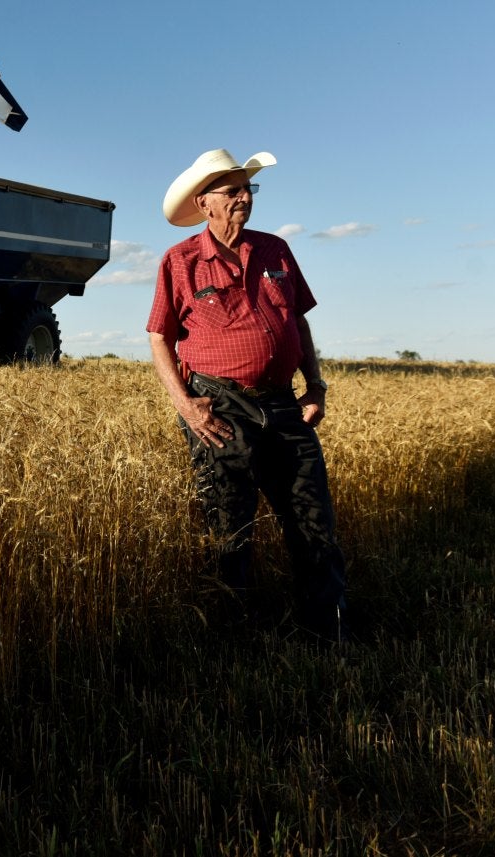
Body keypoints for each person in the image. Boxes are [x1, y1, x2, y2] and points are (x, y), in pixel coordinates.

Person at [145, 149, 348, 642]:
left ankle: (329, 632)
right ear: (204, 202)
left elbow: (297, 320)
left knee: (312, 518)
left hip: (283, 402)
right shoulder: (181, 260)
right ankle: (226, 640)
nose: (243, 197)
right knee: (228, 525)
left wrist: (315, 385)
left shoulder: (276, 250)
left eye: (247, 189)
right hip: (219, 407)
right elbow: (158, 337)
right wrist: (186, 405)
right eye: (232, 190)